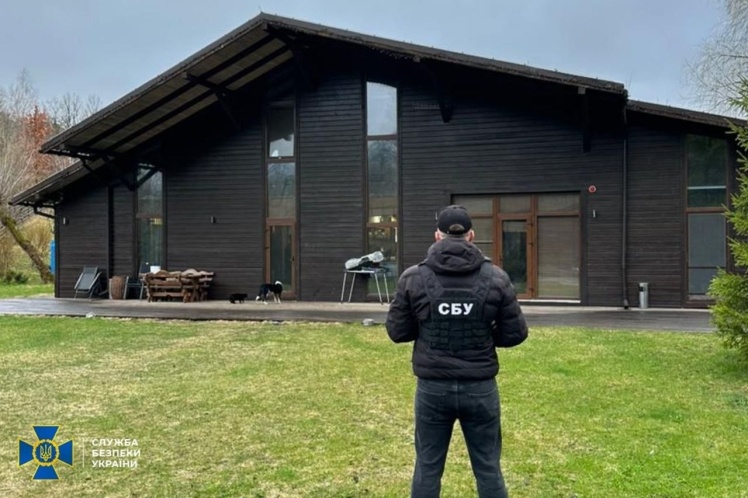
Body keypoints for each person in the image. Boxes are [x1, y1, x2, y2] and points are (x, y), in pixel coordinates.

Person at [386, 204, 528, 498]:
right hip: (480, 388)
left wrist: (426, 328)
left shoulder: (413, 278)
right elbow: (515, 333)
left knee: (427, 468)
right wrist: (483, 335)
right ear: (471, 235)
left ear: (437, 235)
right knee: (488, 468)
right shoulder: (496, 278)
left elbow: (398, 332)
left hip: (432, 389)